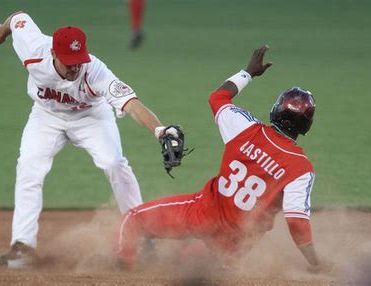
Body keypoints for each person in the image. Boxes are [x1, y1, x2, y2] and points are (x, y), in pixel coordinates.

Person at [0, 11, 179, 268]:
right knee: (29, 167)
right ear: (53, 54)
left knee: (114, 163)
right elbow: (19, 17)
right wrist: (2, 32)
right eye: (69, 61)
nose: (75, 66)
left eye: (78, 60)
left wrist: (160, 130)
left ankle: (141, 236)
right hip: (46, 116)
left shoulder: (95, 71)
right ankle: (22, 247)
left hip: (91, 118)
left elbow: (131, 103)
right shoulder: (35, 51)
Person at [115, 46, 326, 272]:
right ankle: (210, 262)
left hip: (202, 214)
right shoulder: (301, 168)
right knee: (198, 267)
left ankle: (120, 267)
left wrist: (249, 72)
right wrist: (316, 263)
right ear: (306, 126)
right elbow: (296, 222)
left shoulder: (246, 128)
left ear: (276, 110)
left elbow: (218, 97)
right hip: (235, 244)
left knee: (134, 219)